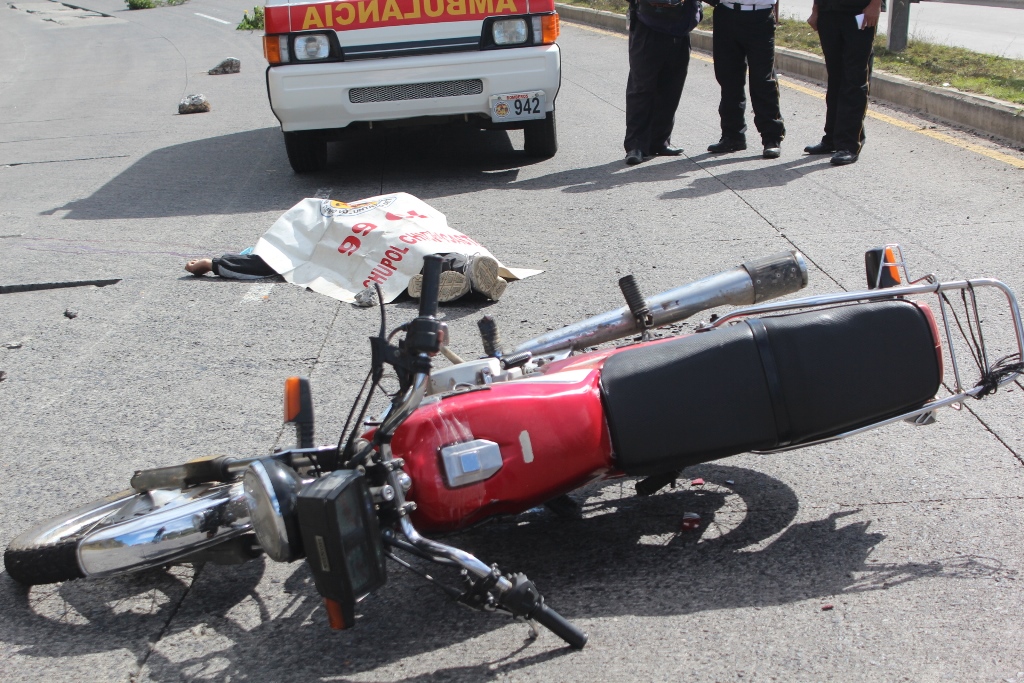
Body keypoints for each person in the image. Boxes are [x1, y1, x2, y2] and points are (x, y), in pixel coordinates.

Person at [186, 252, 507, 302]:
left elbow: (262, 263)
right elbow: (262, 263)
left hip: (371, 258)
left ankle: (469, 277)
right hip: (377, 258)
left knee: (410, 265)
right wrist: (214, 264)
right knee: (418, 263)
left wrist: (214, 263)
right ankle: (468, 277)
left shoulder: (301, 248)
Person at [623, 0, 703, 165]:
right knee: (641, 87)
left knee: (672, 87)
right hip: (648, 24)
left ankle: (659, 141)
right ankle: (636, 146)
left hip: (680, 26)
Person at [805, 0, 882, 165]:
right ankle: (832, 138)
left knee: (854, 79)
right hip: (828, 12)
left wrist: (875, 5)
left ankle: (849, 145)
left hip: (859, 11)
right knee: (835, 79)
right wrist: (816, 9)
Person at [706, 0, 786, 159]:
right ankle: (733, 135)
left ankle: (771, 138)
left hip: (759, 15)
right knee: (728, 78)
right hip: (726, 13)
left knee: (762, 80)